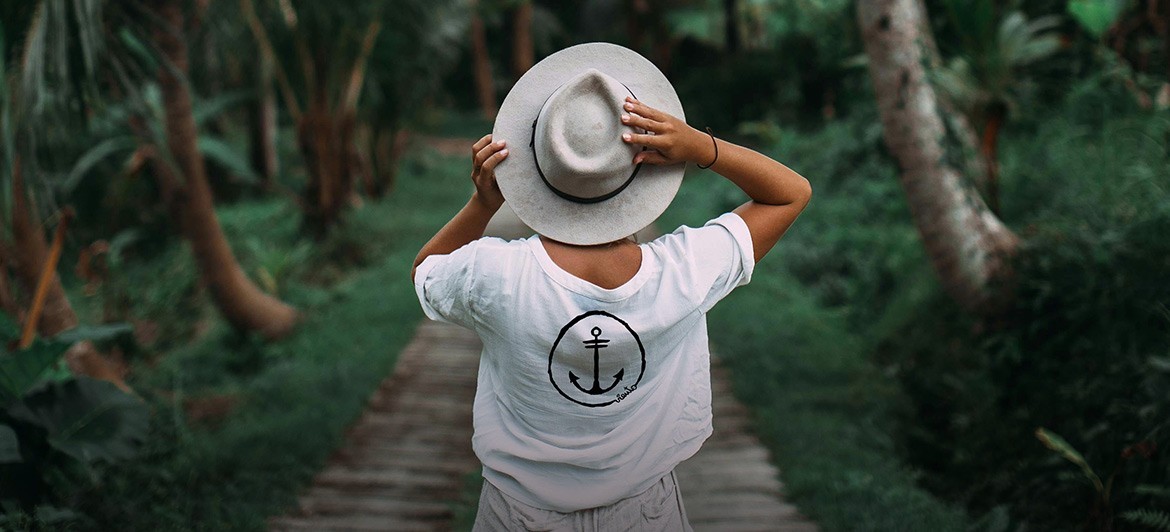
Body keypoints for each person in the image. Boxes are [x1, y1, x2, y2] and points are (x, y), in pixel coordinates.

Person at [413, 43, 810, 531]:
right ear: (645, 165)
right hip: (646, 512)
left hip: (518, 514)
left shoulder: (495, 274)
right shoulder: (684, 271)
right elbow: (791, 194)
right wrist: (701, 147)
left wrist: (483, 204)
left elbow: (427, 270)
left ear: (537, 167)